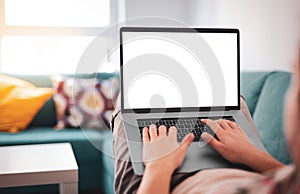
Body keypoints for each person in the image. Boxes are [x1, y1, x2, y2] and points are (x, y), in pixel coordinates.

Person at [111, 50, 300, 194]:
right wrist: (251, 154)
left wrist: (158, 166)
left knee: (127, 102)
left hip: (164, 181)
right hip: (246, 165)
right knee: (233, 100)